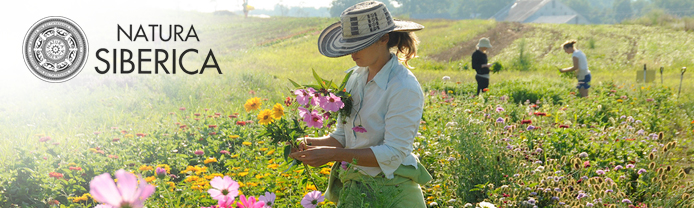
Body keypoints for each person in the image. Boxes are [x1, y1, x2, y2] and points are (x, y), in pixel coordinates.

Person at [288, 1, 431, 207]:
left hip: (392, 192)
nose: (351, 52)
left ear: (383, 38)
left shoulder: (403, 87)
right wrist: (308, 143)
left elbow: (393, 153)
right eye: (349, 45)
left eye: (359, 44)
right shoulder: (353, 78)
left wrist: (333, 155)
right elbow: (343, 137)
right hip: (355, 190)